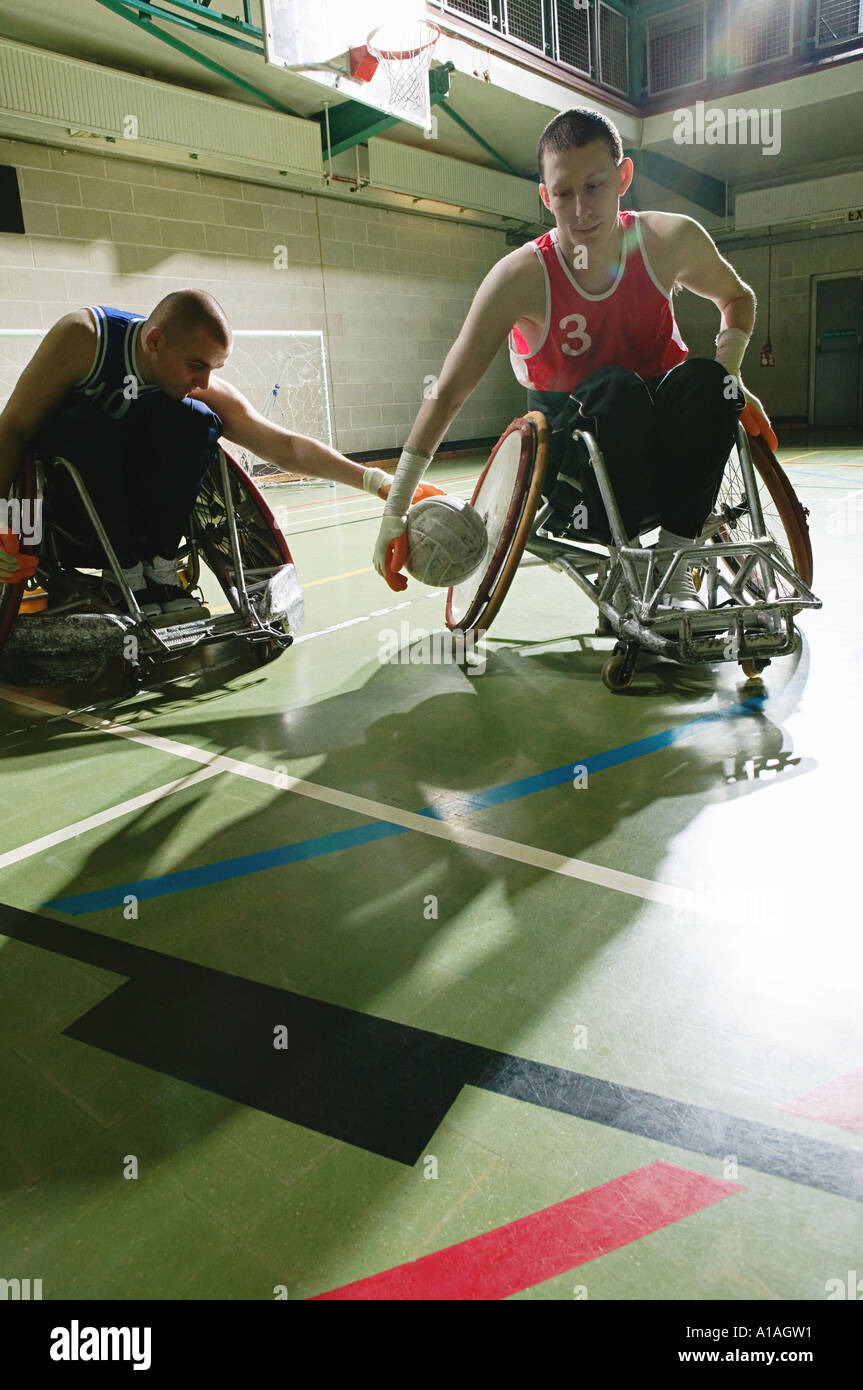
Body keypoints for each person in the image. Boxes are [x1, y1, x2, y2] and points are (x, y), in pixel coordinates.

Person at [373, 107, 777, 607]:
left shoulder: (668, 240)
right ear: (545, 196)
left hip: (664, 460)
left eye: (595, 186)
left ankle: (673, 570)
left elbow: (738, 299)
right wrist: (395, 509)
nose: (582, 210)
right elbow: (449, 391)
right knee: (617, 389)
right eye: (564, 194)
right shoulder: (519, 277)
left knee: (706, 379)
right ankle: (631, 570)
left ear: (623, 177)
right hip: (577, 479)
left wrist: (731, 376)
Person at [0, 290, 393, 614]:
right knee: (93, 422)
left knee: (200, 418)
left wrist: (376, 481)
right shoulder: (84, 337)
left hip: (135, 507)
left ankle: (159, 571)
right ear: (155, 341)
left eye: (214, 368)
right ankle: (120, 574)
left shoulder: (189, 376)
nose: (205, 380)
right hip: (67, 510)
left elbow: (282, 445)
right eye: (197, 366)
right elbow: (12, 429)